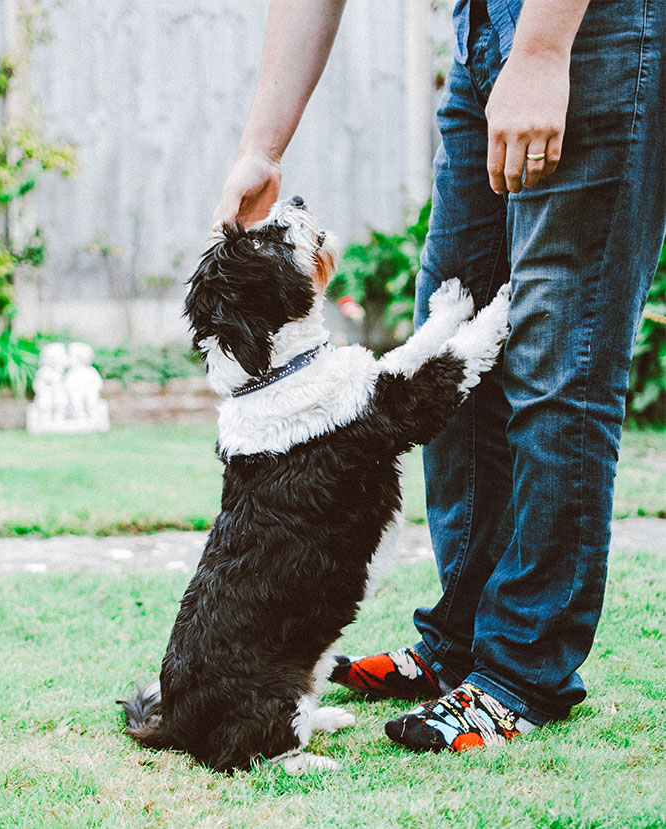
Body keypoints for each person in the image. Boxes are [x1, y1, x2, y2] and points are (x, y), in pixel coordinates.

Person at [211, 0, 666, 752]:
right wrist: (262, 144)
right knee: (445, 335)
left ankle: (523, 670)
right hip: (480, 31)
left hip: (592, 29)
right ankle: (459, 641)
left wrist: (545, 50)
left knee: (559, 357)